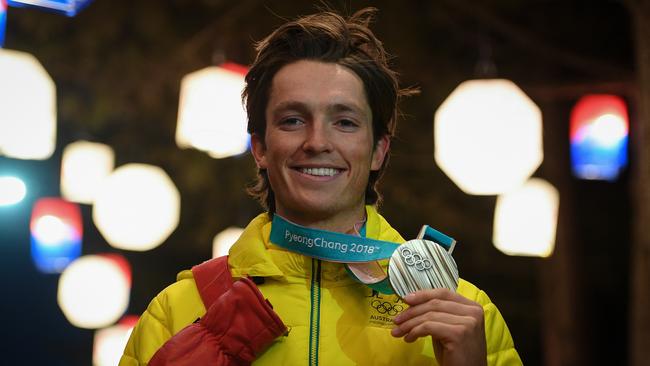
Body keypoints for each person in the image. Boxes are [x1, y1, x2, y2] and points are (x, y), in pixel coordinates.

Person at [120, 8, 522, 366]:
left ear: (379, 150)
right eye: (293, 120)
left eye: (345, 122)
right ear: (260, 147)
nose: (317, 142)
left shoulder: (463, 315)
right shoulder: (178, 311)